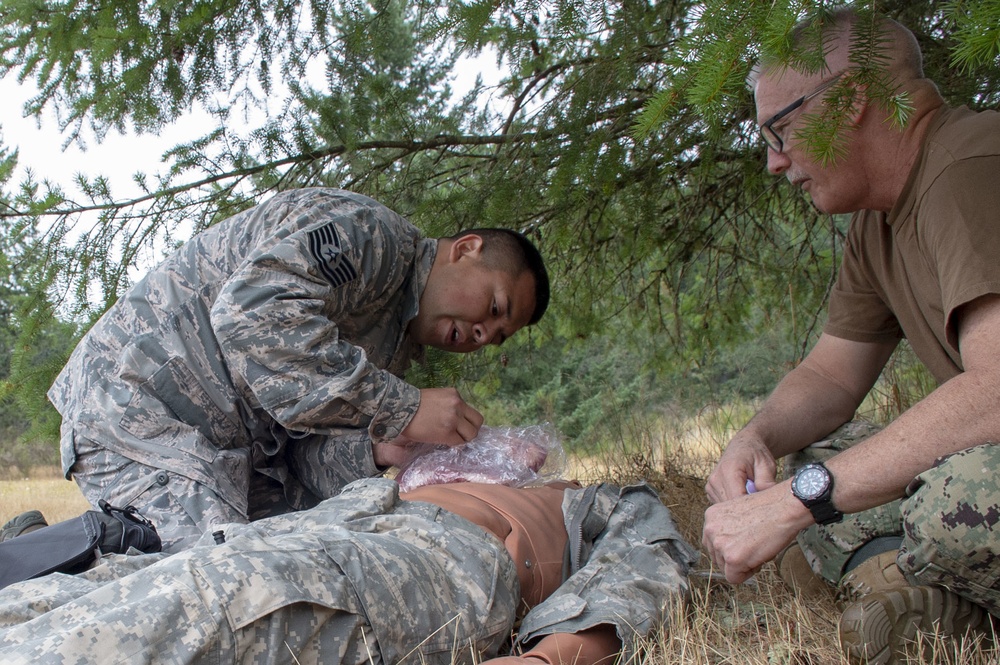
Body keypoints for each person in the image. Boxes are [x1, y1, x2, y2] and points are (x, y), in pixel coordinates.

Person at [701, 7, 1000, 663]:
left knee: (959, 496)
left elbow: (995, 393)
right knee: (817, 464)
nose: (775, 163)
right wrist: (757, 438)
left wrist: (795, 504)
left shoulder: (969, 165)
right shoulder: (881, 220)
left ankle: (914, 580)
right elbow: (831, 377)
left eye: (780, 131)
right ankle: (909, 592)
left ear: (851, 102)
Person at [42, 187, 550, 554]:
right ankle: (49, 561)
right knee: (225, 579)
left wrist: (375, 450)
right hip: (135, 405)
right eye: (495, 306)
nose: (484, 333)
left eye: (497, 336)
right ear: (465, 250)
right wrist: (404, 408)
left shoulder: (390, 352)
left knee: (303, 558)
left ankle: (44, 551)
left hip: (222, 453)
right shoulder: (373, 239)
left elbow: (298, 458)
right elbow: (250, 317)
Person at [0, 475, 698, 665]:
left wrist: (549, 658)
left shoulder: (598, 498)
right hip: (335, 522)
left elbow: (648, 566)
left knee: (218, 600)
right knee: (82, 589)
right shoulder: (429, 469)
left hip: (437, 557)